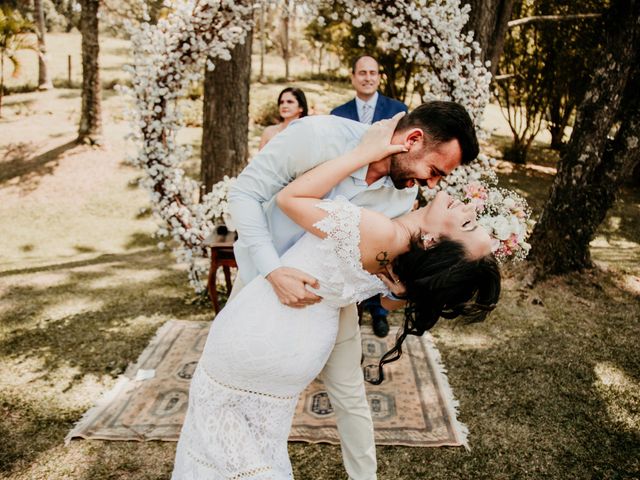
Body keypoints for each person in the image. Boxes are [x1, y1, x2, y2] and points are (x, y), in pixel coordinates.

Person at [171, 114, 500, 480]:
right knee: (252, 445)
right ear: (414, 140)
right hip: (266, 289)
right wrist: (272, 270)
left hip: (314, 317)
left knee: (239, 432)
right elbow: (245, 193)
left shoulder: (403, 194)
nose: (432, 183)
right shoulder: (318, 137)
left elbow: (295, 202)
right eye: (435, 170)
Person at [331, 54, 409, 338]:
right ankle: (347, 310)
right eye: (362, 73)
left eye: (372, 73)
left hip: (386, 195)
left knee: (378, 253)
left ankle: (378, 311)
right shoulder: (338, 114)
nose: (367, 77)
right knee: (350, 252)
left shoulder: (397, 110)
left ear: (378, 77)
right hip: (350, 194)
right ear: (353, 77)